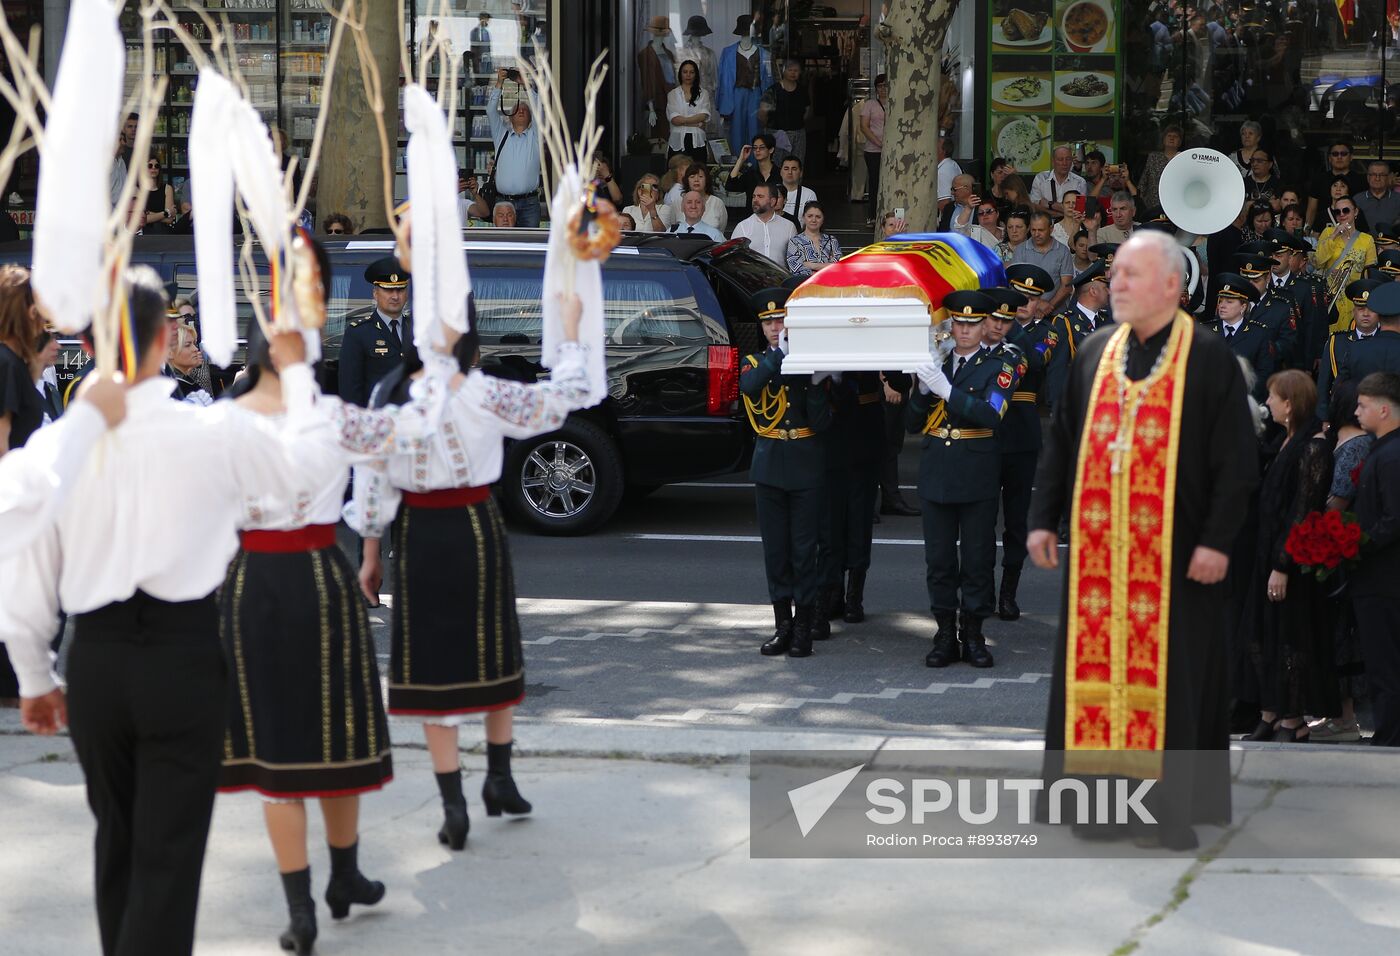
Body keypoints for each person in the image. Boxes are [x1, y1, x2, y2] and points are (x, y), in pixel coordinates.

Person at [3, 267, 320, 956]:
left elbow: (22, 555)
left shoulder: (62, 443)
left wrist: (32, 672)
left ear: (90, 343)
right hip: (181, 655)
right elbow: (299, 477)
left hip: (98, 658)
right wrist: (295, 378)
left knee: (117, 837)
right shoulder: (211, 431)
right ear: (163, 338)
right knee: (167, 854)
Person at [1028, 231, 1259, 849]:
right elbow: (1063, 443)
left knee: (1174, 682)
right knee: (1095, 675)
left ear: (1171, 287)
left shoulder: (1207, 357)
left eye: (1132, 274)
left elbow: (1237, 462)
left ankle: (1167, 810)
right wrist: (1043, 519)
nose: (1118, 283)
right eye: (1115, 274)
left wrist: (1217, 541)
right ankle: (1098, 806)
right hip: (1102, 558)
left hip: (1178, 557)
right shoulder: (1095, 350)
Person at [349, 292, 592, 848]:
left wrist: (368, 552)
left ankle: (455, 802)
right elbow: (562, 398)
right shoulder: (481, 391)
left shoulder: (391, 395)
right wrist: (571, 333)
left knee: (434, 667)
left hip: (416, 534)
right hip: (475, 526)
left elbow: (373, 477)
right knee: (492, 649)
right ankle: (499, 779)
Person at [906, 290, 1020, 669]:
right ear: (950, 325)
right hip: (938, 469)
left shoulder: (1002, 362)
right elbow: (910, 425)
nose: (966, 330)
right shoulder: (938, 361)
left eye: (973, 323)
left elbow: (991, 416)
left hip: (976, 472)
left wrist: (944, 390)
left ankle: (973, 633)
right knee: (938, 560)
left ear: (985, 324)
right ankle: (943, 633)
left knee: (976, 558)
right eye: (959, 323)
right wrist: (922, 391)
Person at [1237, 370, 1336, 743]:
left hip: (1288, 560)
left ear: (1290, 404)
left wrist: (1282, 565)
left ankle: (1292, 718)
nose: (1267, 404)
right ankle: (1270, 711)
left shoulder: (1313, 447)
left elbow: (1303, 511)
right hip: (1267, 551)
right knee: (1262, 634)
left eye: (1273, 398)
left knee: (1288, 637)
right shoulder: (1283, 439)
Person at [740, 287, 831, 657]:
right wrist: (781, 355)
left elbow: (822, 422)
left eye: (781, 321)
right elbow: (749, 385)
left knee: (803, 551)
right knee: (775, 553)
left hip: (806, 464)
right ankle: (783, 625)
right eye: (769, 322)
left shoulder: (806, 362)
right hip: (770, 464)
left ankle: (805, 625)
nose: (776, 327)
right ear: (761, 327)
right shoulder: (755, 360)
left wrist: (811, 379)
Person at [991, 270, 1059, 621]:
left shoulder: (1045, 333)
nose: (1021, 305)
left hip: (1020, 433)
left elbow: (1034, 361)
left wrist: (1008, 324)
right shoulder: (991, 327)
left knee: (1016, 520)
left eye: (1029, 299)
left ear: (1039, 304)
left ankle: (1008, 592)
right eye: (1016, 296)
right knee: (981, 518)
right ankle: (982, 589)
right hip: (987, 433)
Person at [1309, 381, 1371, 743]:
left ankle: (1345, 717)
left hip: (1338, 552)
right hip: (1336, 550)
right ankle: (1339, 713)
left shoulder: (1355, 448)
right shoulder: (1348, 444)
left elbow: (1338, 500)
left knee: (1343, 634)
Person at [1352, 371, 1400, 745]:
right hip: (1379, 578)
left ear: (1384, 409)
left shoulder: (1391, 454)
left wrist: (1356, 544)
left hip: (1385, 579)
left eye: (1363, 405)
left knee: (1386, 662)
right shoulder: (1382, 449)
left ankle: (1389, 734)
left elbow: (1393, 519)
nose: (1356, 412)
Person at [339, 257, 411, 406]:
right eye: (388, 289)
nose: (395, 296)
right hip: (375, 421)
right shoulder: (358, 333)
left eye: (400, 289)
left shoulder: (416, 329)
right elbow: (350, 391)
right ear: (375, 293)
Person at [1044, 259, 1113, 411]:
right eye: (1105, 287)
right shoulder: (1065, 322)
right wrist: (1057, 408)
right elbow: (1058, 368)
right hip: (1075, 405)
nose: (1110, 291)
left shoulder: (1104, 320)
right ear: (1093, 291)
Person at [1318, 279, 1383, 420]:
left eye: (1371, 309)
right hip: (1343, 416)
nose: (1365, 314)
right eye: (1360, 308)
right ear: (1353, 311)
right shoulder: (1336, 342)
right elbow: (1323, 386)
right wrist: (1324, 420)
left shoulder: (1387, 342)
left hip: (1379, 416)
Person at [486, 68, 542, 227]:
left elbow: (539, 110)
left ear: (531, 118)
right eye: (517, 109)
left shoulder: (535, 136)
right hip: (504, 202)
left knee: (530, 247)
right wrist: (499, 82)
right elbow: (490, 111)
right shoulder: (501, 134)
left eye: (525, 109)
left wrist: (526, 85)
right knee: (503, 245)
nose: (522, 110)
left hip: (529, 203)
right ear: (509, 117)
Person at [1315, 197, 1378, 334]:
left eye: (1346, 210)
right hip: (1330, 297)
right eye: (1338, 212)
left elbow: (1370, 273)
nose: (1342, 214)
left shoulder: (1367, 240)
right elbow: (1318, 261)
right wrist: (1334, 234)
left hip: (1354, 298)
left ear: (1355, 212)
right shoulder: (1327, 233)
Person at [1206, 273, 1273, 400]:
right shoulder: (1206, 330)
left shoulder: (1258, 334)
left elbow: (1263, 374)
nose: (1222, 305)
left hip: (1245, 401)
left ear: (1243, 306)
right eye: (1221, 301)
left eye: (1229, 301)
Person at [1012, 211, 1073, 313]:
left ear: (1051, 229)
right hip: (1027, 312)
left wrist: (1048, 307)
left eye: (1041, 230)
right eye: (1033, 230)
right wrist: (1038, 304)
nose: (1036, 234)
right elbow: (1016, 283)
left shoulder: (1063, 251)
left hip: (1056, 315)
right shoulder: (1020, 250)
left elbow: (1066, 286)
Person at [1306, 141, 1367, 234]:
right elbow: (1311, 209)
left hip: (1353, 234)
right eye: (1335, 154)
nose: (1339, 157)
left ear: (1351, 157)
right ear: (1329, 158)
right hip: (1324, 230)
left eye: (1343, 154)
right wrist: (1306, 230)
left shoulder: (1361, 180)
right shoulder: (1319, 179)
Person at [731, 183, 796, 267]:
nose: (755, 200)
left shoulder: (789, 227)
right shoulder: (742, 227)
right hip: (751, 279)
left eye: (760, 196)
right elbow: (733, 261)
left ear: (772, 201)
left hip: (781, 279)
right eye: (754, 196)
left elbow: (795, 261)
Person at [762, 59, 811, 162]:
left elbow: (807, 110)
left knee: (796, 164)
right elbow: (763, 113)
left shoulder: (802, 91)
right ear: (783, 71)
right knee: (777, 165)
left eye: (796, 70)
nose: (793, 73)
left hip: (798, 133)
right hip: (777, 133)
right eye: (790, 70)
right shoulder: (773, 90)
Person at [665, 59, 711, 165]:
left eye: (692, 72)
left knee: (697, 175)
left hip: (697, 141)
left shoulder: (703, 93)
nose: (688, 75)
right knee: (676, 176)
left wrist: (684, 121)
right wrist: (695, 123)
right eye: (685, 72)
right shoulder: (673, 94)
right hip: (677, 141)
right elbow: (675, 120)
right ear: (680, 74)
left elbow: (703, 116)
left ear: (696, 74)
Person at [858, 75, 888, 225]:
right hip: (873, 150)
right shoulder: (870, 104)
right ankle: (872, 215)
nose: (882, 89)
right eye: (880, 86)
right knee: (875, 182)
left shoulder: (894, 103)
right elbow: (864, 126)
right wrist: (879, 143)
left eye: (885, 85)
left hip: (891, 150)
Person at [665, 163, 727, 232]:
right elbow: (672, 228)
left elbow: (721, 229)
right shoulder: (677, 203)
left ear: (706, 180)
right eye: (692, 177)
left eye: (700, 176)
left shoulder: (717, 203)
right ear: (687, 180)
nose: (696, 180)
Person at [1029, 146, 1087, 219]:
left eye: (1068, 159)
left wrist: (1050, 204)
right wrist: (1063, 214)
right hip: (1045, 225)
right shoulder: (1041, 178)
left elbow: (1078, 211)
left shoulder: (1080, 182)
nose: (1064, 163)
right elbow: (1034, 207)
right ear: (1053, 161)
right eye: (1060, 159)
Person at [727, 132, 782, 210]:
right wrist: (741, 159)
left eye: (762, 147)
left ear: (771, 150)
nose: (757, 150)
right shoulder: (750, 175)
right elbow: (730, 186)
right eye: (755, 148)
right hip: (752, 218)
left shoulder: (781, 173)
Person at [785, 201, 840, 277]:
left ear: (823, 219)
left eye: (818, 217)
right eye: (810, 216)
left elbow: (838, 266)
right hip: (805, 286)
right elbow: (796, 270)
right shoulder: (795, 242)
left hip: (830, 286)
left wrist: (812, 265)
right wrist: (826, 266)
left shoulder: (831, 241)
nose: (814, 220)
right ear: (804, 217)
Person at [1135, 125, 1183, 213]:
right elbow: (1144, 181)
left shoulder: (1183, 159)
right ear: (1163, 139)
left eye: (1175, 136)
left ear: (1180, 142)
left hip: (1176, 207)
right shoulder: (1153, 157)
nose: (1172, 138)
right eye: (1169, 136)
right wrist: (1141, 201)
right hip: (1153, 205)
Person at [1354, 161, 1400, 236]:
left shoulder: (1398, 199)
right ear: (1368, 177)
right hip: (1363, 245)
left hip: (1392, 245)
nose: (1377, 178)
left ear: (1388, 177)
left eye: (1381, 175)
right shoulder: (1357, 200)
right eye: (1373, 175)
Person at [139, 158, 178, 234]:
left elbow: (170, 219)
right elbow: (139, 219)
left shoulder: (167, 188)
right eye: (150, 166)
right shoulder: (138, 189)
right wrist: (166, 214)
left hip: (163, 231)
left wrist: (149, 214)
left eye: (156, 166)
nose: (153, 168)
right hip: (144, 232)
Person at [778, 155, 817, 222]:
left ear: (801, 173)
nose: (790, 172)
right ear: (780, 172)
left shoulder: (809, 194)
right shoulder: (771, 192)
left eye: (794, 169)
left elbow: (812, 220)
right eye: (786, 169)